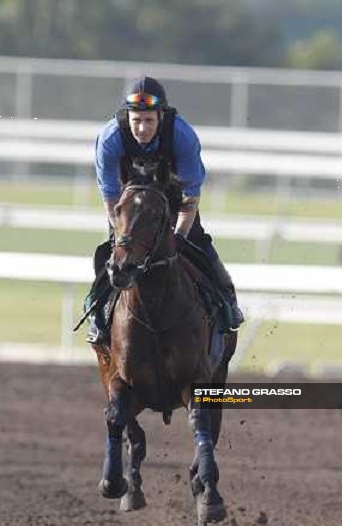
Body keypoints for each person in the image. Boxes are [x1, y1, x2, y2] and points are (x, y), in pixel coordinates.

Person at [86, 76, 244, 344]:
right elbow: (111, 197)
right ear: (127, 117)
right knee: (111, 256)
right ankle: (97, 314)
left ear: (161, 116)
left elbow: (190, 195)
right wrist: (121, 233)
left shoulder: (182, 136)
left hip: (173, 205)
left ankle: (226, 302)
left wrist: (180, 236)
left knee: (200, 247)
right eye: (136, 120)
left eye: (149, 120)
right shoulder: (110, 138)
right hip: (129, 212)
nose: (142, 128)